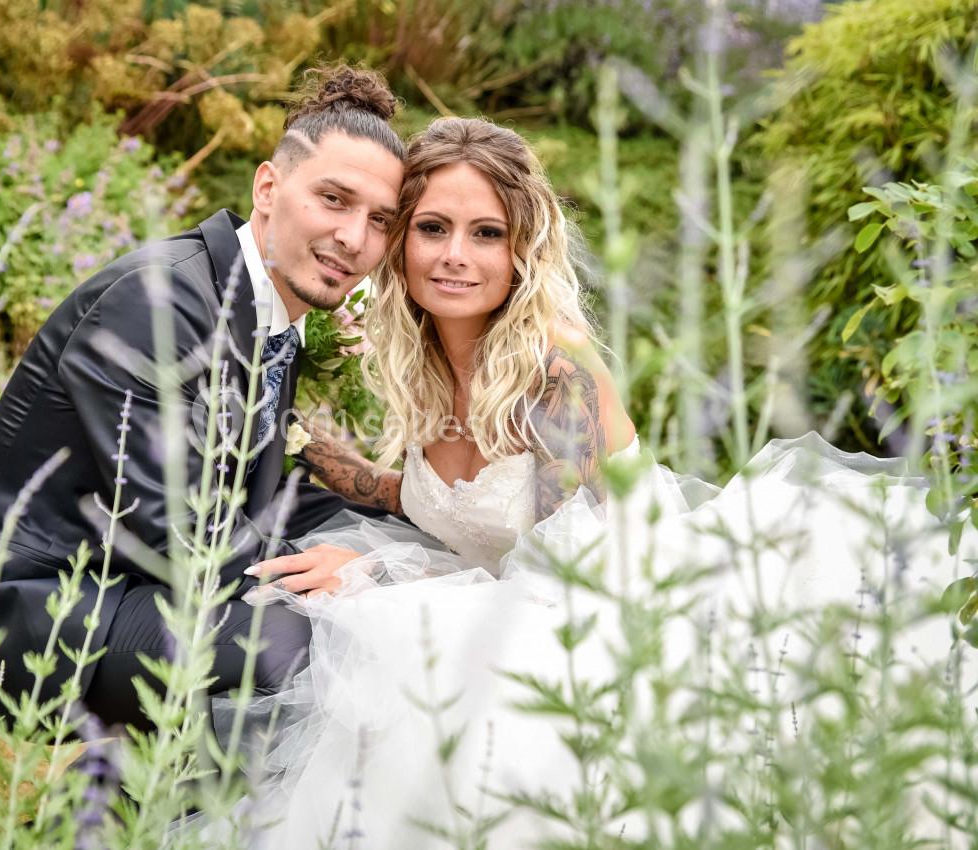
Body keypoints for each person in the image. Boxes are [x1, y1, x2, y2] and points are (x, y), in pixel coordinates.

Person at [227, 118, 974, 846]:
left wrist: (382, 572)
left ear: (523, 248)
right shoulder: (420, 351)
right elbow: (448, 500)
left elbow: (562, 582)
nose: (455, 255)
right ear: (399, 242)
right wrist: (317, 452)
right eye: (432, 228)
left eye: (486, 233)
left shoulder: (556, 372)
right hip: (527, 610)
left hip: (633, 625)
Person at [0, 65, 406, 733]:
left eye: (380, 220)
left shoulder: (262, 308)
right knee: (306, 640)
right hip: (44, 611)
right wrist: (347, 582)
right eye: (333, 199)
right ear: (267, 188)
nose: (354, 238)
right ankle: (154, 791)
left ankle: (146, 790)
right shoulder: (157, 302)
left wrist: (394, 544)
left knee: (388, 589)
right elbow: (185, 532)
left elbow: (261, 495)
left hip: (131, 581)